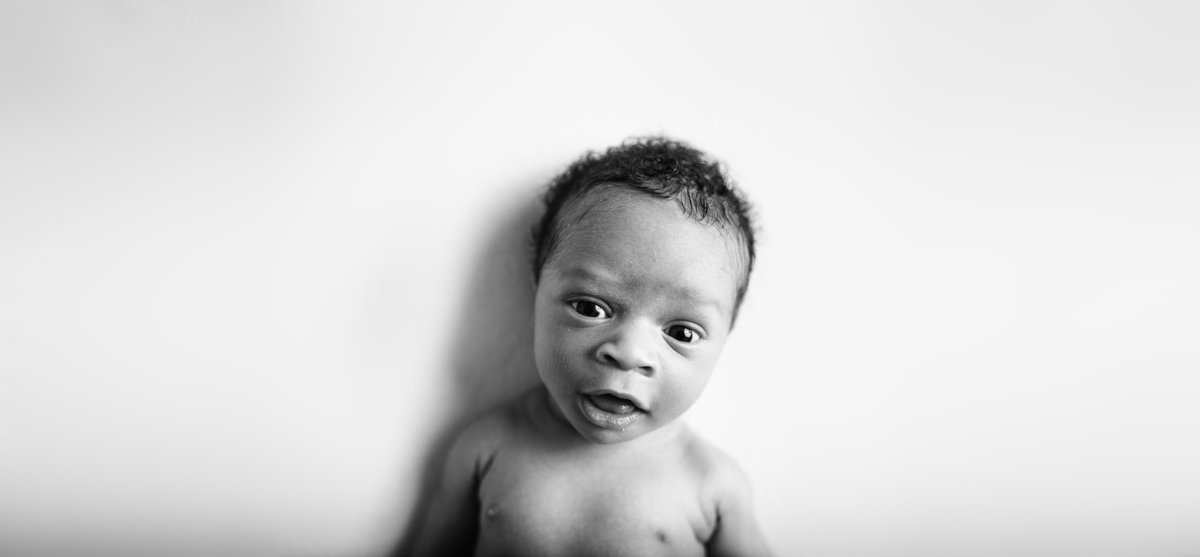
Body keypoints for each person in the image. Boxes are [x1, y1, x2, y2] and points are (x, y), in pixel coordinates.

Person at [412, 136, 772, 556]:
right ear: (537, 289)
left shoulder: (712, 486)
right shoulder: (487, 447)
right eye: (590, 307)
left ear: (726, 338)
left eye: (682, 333)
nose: (629, 353)